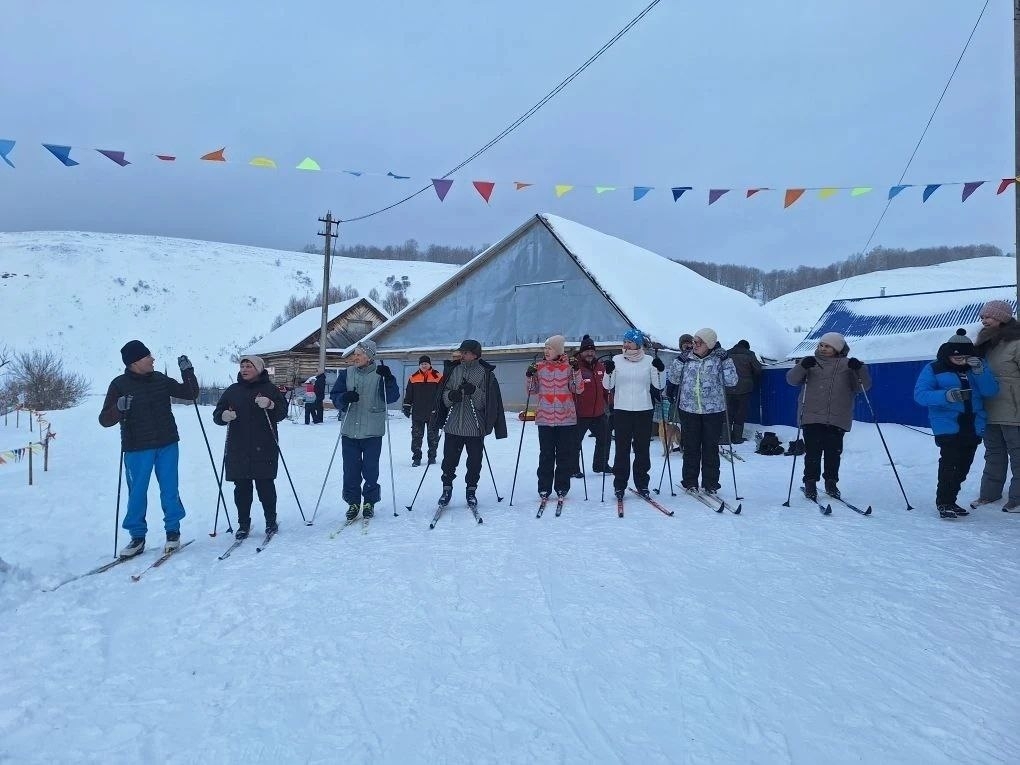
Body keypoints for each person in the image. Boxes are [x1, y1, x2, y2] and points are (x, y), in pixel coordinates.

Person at [98, 340, 198, 557]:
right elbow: (105, 419)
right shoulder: (119, 385)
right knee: (137, 494)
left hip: (167, 443)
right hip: (137, 447)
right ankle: (137, 537)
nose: (153, 359)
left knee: (170, 489)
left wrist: (188, 372)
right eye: (148, 357)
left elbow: (190, 393)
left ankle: (173, 532)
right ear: (135, 362)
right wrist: (118, 407)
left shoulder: (160, 379)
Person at [913, 329, 998, 519]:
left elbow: (990, 391)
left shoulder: (978, 367)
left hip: (973, 424)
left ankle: (951, 499)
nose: (961, 360)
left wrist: (980, 372)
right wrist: (946, 396)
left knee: (964, 465)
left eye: (966, 357)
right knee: (950, 463)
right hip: (947, 425)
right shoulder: (934, 368)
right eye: (957, 357)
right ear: (948, 353)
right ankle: (944, 502)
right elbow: (920, 395)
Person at [785, 331, 871, 500]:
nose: (823, 349)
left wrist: (859, 370)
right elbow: (791, 380)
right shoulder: (810, 362)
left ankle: (831, 482)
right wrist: (802, 366)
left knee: (833, 453)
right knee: (813, 452)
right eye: (821, 345)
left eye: (828, 346)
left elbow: (862, 387)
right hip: (811, 415)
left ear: (837, 349)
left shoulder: (849, 365)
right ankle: (810, 482)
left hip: (837, 416)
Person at [212, 355, 289, 538]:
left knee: (265, 487)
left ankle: (271, 521)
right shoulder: (232, 390)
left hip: (264, 445)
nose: (244, 369)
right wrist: (223, 416)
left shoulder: (270, 389)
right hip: (238, 447)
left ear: (259, 369)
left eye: (249, 366)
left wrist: (270, 404)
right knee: (241, 489)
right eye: (242, 366)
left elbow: (282, 413)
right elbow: (217, 415)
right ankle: (243, 524)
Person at [329, 339, 400, 520]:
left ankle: (369, 501)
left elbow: (391, 397)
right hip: (349, 430)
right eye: (355, 354)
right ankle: (353, 502)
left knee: (370, 470)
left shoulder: (380, 374)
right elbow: (335, 396)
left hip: (372, 431)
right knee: (350, 470)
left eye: (359, 354)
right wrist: (344, 397)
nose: (355, 357)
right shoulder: (347, 374)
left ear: (370, 356)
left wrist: (389, 379)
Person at [433, 339, 508, 508]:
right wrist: (451, 396)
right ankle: (446, 489)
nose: (462, 355)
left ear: (475, 355)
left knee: (474, 462)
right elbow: (443, 395)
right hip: (453, 424)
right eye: (461, 352)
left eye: (465, 352)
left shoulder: (484, 373)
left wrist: (474, 391)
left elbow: (486, 403)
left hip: (475, 426)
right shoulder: (454, 370)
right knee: (449, 461)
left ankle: (471, 490)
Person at [667, 328, 738, 495]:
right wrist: (679, 360)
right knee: (691, 447)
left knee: (710, 448)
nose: (695, 345)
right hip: (689, 409)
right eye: (694, 341)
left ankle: (711, 483)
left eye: (699, 342)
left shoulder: (719, 360)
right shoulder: (687, 359)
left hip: (713, 410)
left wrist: (727, 360)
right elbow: (673, 378)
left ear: (710, 344)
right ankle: (690, 481)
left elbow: (732, 381)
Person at [602, 328, 664, 500]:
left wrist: (661, 370)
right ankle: (619, 484)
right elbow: (608, 386)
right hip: (622, 410)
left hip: (644, 409)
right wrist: (608, 371)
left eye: (629, 341)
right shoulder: (617, 360)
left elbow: (659, 386)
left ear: (637, 343)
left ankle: (642, 484)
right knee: (622, 449)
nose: (626, 344)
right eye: (625, 341)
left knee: (642, 449)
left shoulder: (649, 361)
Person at [972, 299, 1020, 511]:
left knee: (1018, 454)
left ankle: (1017, 498)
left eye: (989, 317)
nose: (984, 320)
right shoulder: (983, 344)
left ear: (1002, 318)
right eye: (982, 317)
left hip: (1014, 409)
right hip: (988, 408)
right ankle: (989, 494)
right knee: (993, 453)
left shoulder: (1017, 342)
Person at [527, 335, 584, 500]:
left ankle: (562, 487)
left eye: (549, 348)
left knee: (563, 455)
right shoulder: (540, 367)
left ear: (558, 350)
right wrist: (530, 375)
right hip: (545, 418)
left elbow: (578, 389)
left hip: (566, 418)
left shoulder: (568, 367)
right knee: (546, 454)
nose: (546, 351)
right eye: (545, 348)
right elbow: (532, 390)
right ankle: (544, 487)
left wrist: (576, 370)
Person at [571, 334, 611, 476]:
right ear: (581, 352)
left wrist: (610, 403)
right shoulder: (575, 367)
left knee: (605, 438)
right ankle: (573, 469)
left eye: (592, 350)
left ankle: (601, 464)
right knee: (574, 443)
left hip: (598, 413)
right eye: (587, 350)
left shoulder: (600, 367)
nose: (590, 353)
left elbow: (606, 388)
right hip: (579, 414)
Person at [402, 355, 443, 466]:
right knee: (416, 437)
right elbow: (409, 394)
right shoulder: (413, 377)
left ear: (430, 364)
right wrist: (406, 406)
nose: (424, 365)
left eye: (426, 363)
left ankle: (432, 457)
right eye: (422, 364)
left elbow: (441, 395)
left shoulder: (438, 376)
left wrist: (442, 409)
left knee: (433, 437)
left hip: (433, 412)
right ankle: (416, 458)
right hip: (417, 413)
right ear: (419, 365)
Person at [724, 339, 762, 444]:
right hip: (744, 389)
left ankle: (725, 437)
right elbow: (758, 369)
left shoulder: (727, 353)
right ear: (747, 347)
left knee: (728, 412)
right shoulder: (749, 354)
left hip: (728, 388)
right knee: (740, 413)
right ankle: (737, 438)